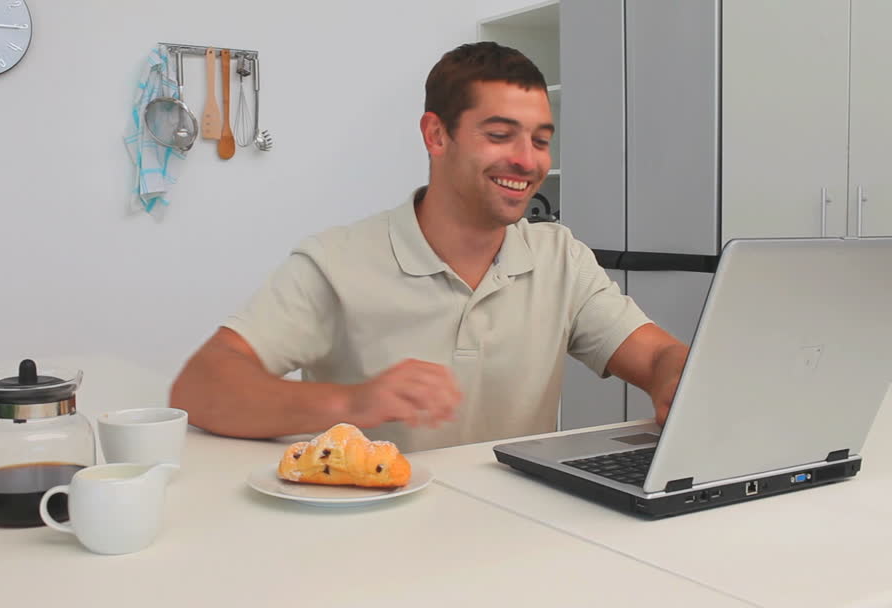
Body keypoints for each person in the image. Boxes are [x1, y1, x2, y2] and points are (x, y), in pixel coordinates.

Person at [171, 42, 689, 453]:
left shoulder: (561, 258)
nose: (527, 160)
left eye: (539, 140)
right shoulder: (335, 262)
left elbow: (658, 355)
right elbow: (200, 387)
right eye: (501, 134)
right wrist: (352, 403)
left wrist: (675, 373)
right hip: (367, 535)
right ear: (436, 136)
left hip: (519, 532)